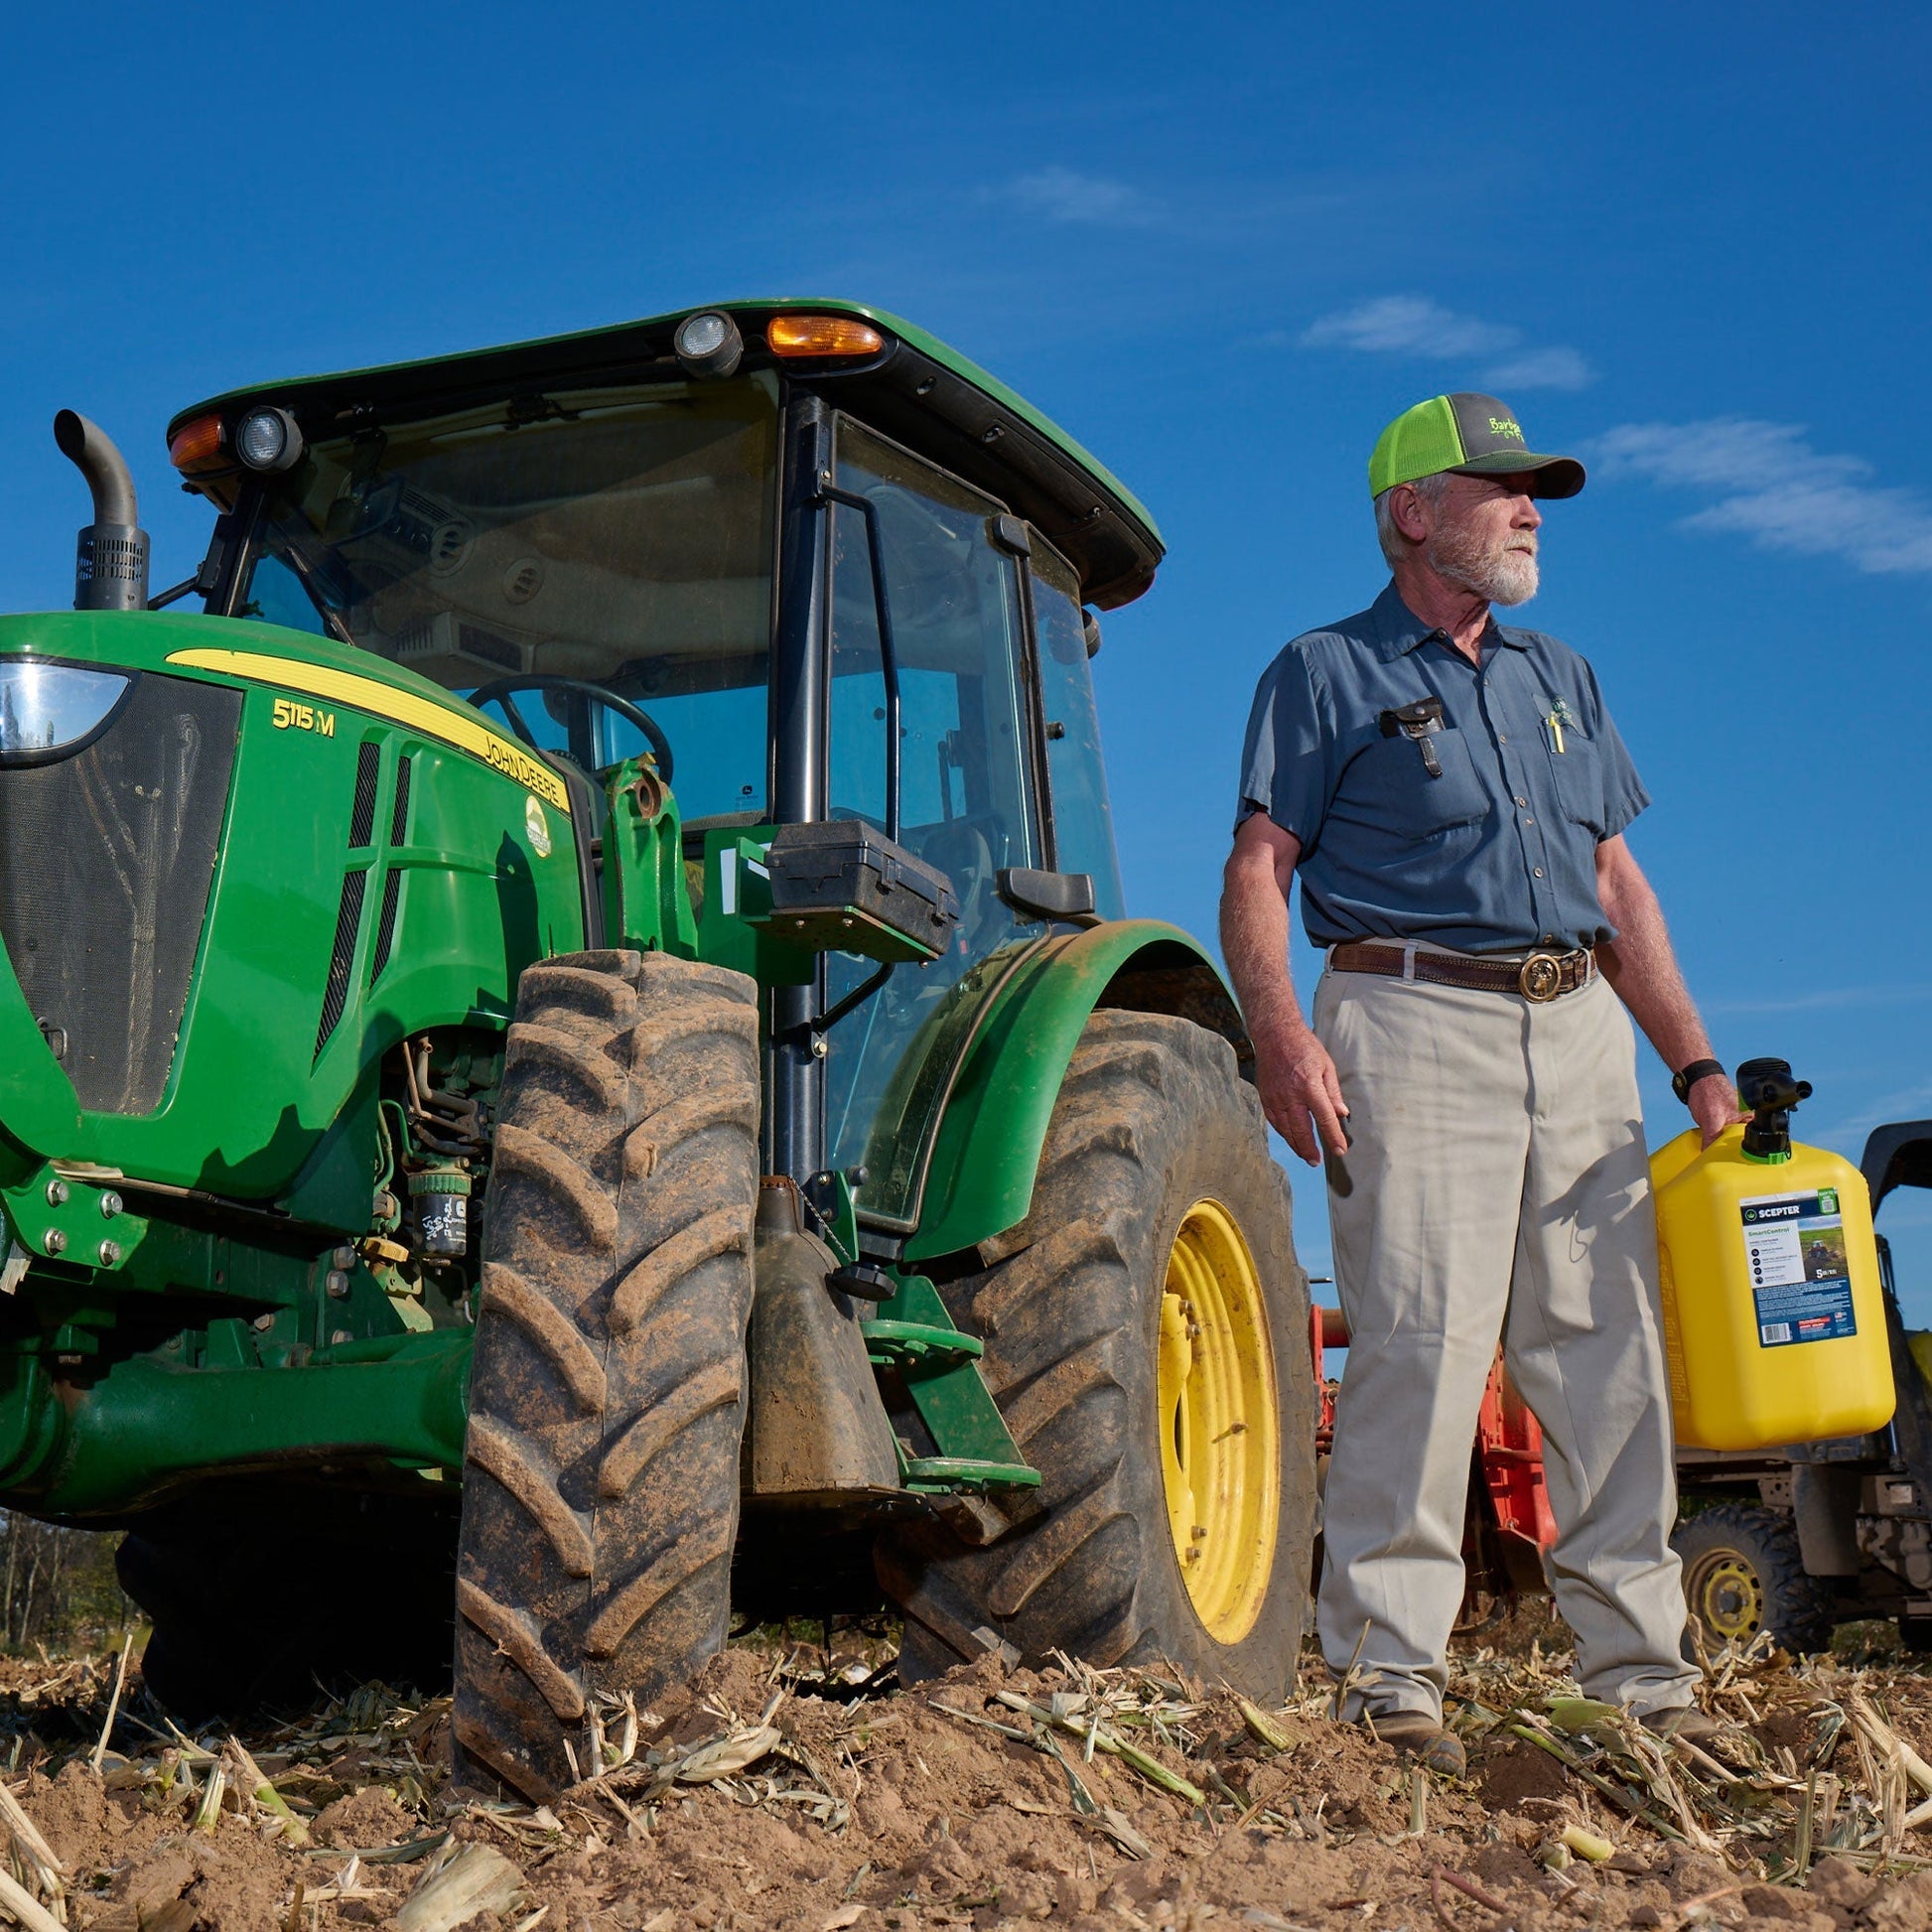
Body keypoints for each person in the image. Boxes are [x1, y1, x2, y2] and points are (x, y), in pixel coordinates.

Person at [1220, 392, 1737, 1775]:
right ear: (1410, 512)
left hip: (1573, 1031)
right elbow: (1259, 869)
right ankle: (1390, 1672)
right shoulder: (1321, 670)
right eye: (1498, 484)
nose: (1528, 507)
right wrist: (1281, 1035)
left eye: (1534, 487)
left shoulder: (1560, 674)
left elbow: (1615, 884)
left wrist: (1688, 1057)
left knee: (1605, 1350)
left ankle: (1641, 1670)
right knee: (1418, 1339)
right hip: (1405, 1018)